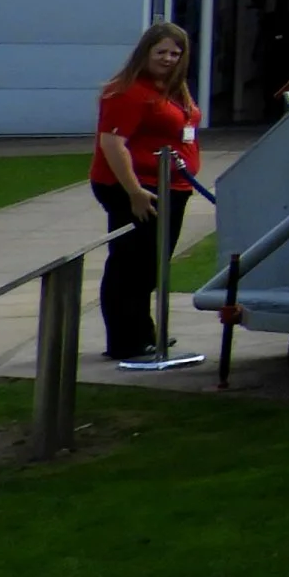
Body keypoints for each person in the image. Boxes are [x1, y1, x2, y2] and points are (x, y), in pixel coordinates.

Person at [92, 21, 202, 361]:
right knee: (130, 264)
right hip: (137, 187)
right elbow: (112, 142)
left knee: (152, 265)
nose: (168, 58)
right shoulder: (127, 91)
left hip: (173, 185)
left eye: (175, 53)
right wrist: (135, 191)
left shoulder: (173, 90)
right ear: (146, 53)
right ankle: (126, 341)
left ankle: (143, 333)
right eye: (161, 52)